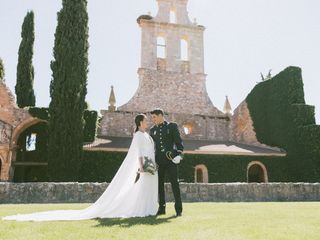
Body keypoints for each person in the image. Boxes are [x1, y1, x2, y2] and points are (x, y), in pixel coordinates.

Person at [2, 114, 158, 221]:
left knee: (150, 186)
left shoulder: (147, 135)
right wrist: (142, 166)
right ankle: (142, 209)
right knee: (143, 186)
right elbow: (138, 153)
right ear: (139, 123)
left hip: (152, 163)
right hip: (145, 165)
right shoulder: (138, 135)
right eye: (145, 120)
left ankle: (150, 208)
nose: (147, 122)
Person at [150, 108, 184, 217]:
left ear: (160, 115)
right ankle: (161, 208)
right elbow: (151, 147)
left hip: (171, 160)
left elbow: (179, 143)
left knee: (175, 184)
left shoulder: (172, 126)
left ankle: (178, 210)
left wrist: (179, 155)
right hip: (159, 161)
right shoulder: (152, 130)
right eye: (152, 118)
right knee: (159, 185)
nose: (153, 119)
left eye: (154, 117)